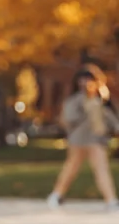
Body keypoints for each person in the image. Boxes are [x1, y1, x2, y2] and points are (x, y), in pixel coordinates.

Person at [47, 64, 119, 210]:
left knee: (101, 169)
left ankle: (111, 200)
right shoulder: (75, 100)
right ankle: (56, 195)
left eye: (88, 80)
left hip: (96, 140)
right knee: (71, 169)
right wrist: (85, 108)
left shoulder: (102, 101)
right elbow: (68, 119)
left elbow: (111, 119)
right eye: (83, 80)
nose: (85, 83)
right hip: (78, 140)